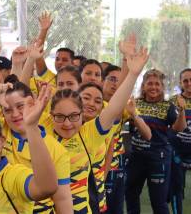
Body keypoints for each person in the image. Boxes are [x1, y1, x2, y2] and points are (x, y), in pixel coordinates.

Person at [43, 46, 148, 213]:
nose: (67, 123)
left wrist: (133, 74)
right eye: (60, 117)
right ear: (50, 115)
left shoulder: (89, 133)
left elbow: (114, 107)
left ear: (81, 112)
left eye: (74, 116)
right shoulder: (43, 128)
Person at [0, 77, 72, 214]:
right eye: (7, 110)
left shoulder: (57, 150)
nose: (15, 114)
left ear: (32, 102)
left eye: (20, 106)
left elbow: (62, 199)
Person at [126, 69, 186, 214]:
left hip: (158, 159)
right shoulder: (135, 103)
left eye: (157, 84)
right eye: (150, 83)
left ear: (162, 87)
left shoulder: (168, 106)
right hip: (136, 157)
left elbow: (179, 128)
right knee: (130, 194)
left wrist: (182, 110)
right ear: (143, 86)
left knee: (158, 201)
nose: (153, 87)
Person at [169, 68, 191, 214]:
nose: (189, 83)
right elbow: (168, 125)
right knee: (177, 189)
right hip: (177, 152)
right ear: (180, 83)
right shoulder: (172, 101)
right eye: (185, 81)